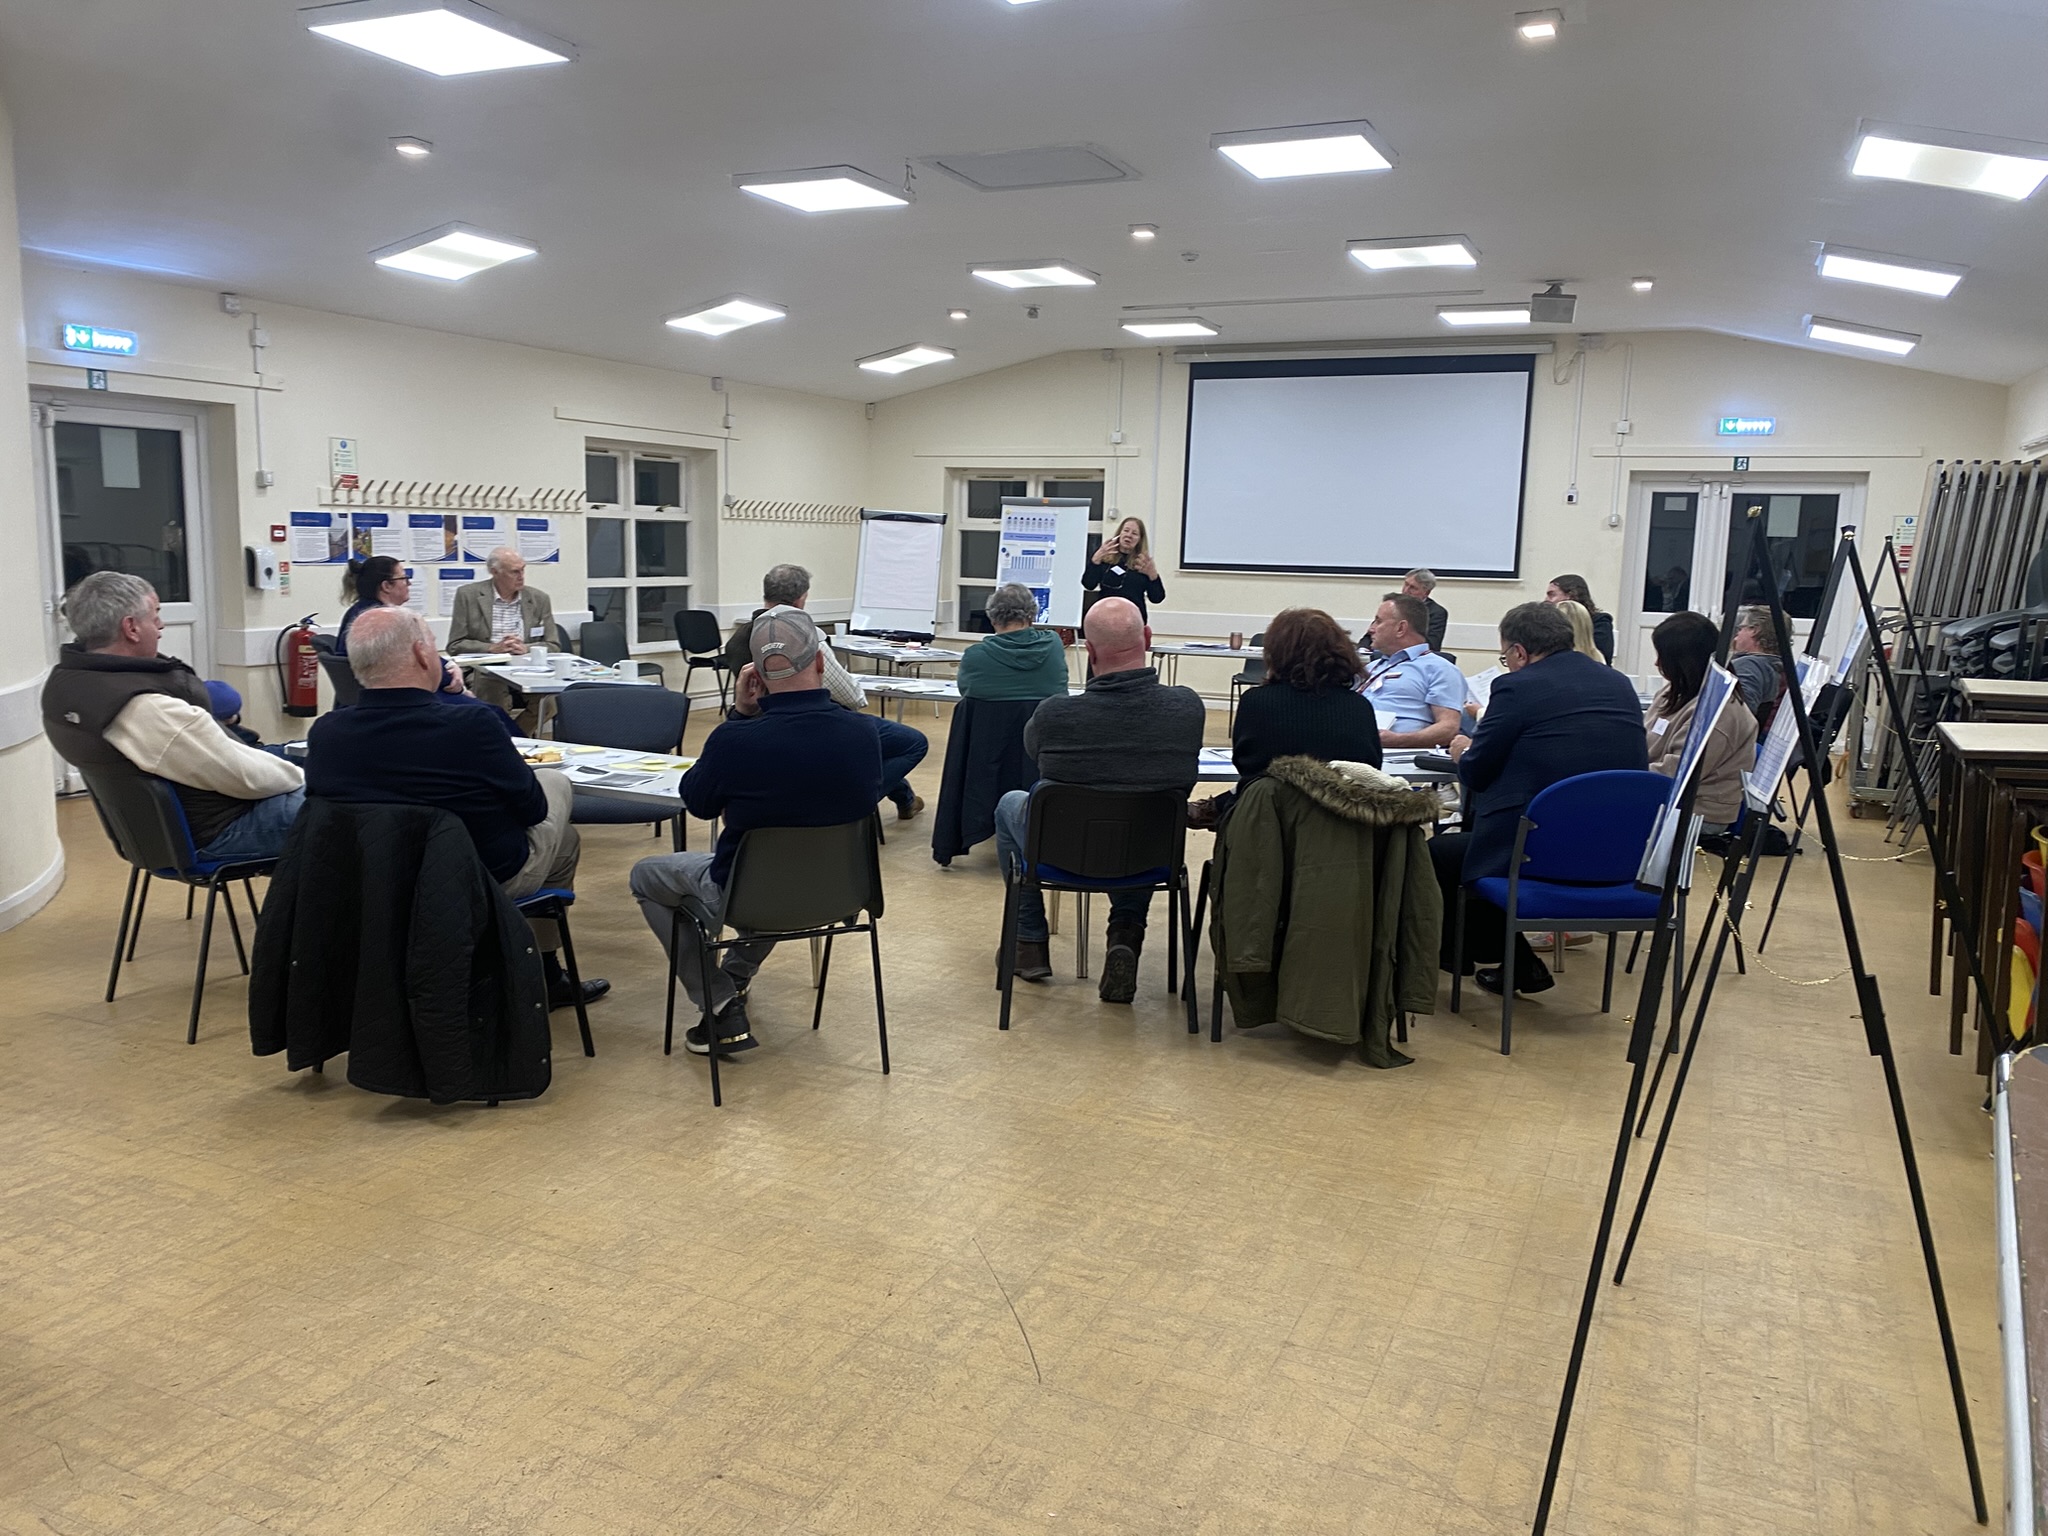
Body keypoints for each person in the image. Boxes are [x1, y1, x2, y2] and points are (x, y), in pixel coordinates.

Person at [304, 607, 607, 1013]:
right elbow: (533, 810)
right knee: (555, 789)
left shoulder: (326, 734)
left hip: (375, 881)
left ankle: (534, 967)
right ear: (422, 655)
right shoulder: (472, 725)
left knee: (563, 839)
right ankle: (544, 973)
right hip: (478, 877)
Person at [629, 608, 884, 1056]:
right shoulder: (863, 734)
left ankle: (720, 999)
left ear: (757, 675)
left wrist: (739, 716)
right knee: (782, 872)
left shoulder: (737, 741)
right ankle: (738, 976)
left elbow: (699, 803)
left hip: (749, 895)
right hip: (842, 891)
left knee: (648, 876)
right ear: (822, 664)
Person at [1430, 601, 1647, 996]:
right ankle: (1518, 964)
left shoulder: (1517, 685)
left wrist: (1463, 748)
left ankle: (1462, 960)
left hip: (1539, 854)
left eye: (1505, 656)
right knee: (1480, 844)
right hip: (1617, 854)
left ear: (1519, 652)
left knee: (1442, 854)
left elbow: (1477, 771)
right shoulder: (1617, 683)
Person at [995, 596, 1205, 1001]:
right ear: (1147, 638)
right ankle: (1125, 933)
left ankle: (1029, 942)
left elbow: (1034, 751)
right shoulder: (1187, 708)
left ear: (1089, 652)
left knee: (1011, 803)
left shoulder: (1055, 714)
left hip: (1063, 854)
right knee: (1143, 810)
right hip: (1151, 854)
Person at [42, 572, 306, 863]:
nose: (160, 625)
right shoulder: (141, 707)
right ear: (131, 628)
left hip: (159, 831)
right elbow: (247, 777)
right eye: (155, 615)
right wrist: (308, 777)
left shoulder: (68, 684)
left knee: (317, 758)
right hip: (220, 828)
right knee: (348, 804)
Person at [724, 564, 929, 820]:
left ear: (766, 593)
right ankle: (854, 801)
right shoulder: (807, 637)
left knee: (870, 743)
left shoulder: (738, 640)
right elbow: (852, 698)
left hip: (761, 725)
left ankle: (905, 798)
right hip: (819, 726)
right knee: (909, 742)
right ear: (802, 598)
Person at [1231, 607, 1382, 782]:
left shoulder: (1256, 702)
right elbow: (1372, 768)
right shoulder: (1358, 706)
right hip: (1341, 807)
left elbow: (1245, 764)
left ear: (1276, 651)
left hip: (1272, 805)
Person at [1644, 611, 1760, 831]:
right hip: (1666, 796)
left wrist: (1624, 776)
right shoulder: (1677, 691)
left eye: (1663, 657)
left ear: (1685, 662)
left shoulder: (1717, 713)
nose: (1657, 662)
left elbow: (1676, 774)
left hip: (1699, 812)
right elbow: (1645, 739)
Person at [446, 547, 559, 725]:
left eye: (523, 569)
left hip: (526, 666)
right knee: (493, 696)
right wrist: (491, 648)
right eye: (515, 572)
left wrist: (526, 649)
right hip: (485, 667)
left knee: (549, 704)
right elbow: (455, 645)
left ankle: (512, 738)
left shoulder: (539, 599)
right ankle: (503, 739)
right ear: (494, 572)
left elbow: (553, 644)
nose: (521, 576)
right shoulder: (468, 595)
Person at [335, 555, 467, 695]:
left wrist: (448, 665)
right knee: (482, 710)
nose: (409, 584)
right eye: (404, 578)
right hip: (394, 698)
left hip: (372, 697)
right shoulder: (385, 621)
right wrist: (454, 679)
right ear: (386, 586)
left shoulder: (359, 613)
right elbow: (421, 662)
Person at [1360, 594, 1466, 750]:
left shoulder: (1440, 669)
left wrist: (1398, 740)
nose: (1371, 629)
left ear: (1401, 628)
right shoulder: (1370, 668)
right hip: (1354, 749)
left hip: (1399, 756)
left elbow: (1448, 729)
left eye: (1378, 621)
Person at [956, 583, 1070, 702]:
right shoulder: (1053, 644)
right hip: (1043, 720)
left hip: (992, 720)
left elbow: (967, 694)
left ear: (992, 618)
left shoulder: (975, 655)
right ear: (1032, 616)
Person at [1082, 517, 1166, 623]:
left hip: (1132, 622)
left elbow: (1157, 598)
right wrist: (1095, 560)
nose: (1129, 535)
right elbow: (1088, 584)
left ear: (1140, 539)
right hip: (1106, 620)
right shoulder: (1106, 559)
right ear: (1119, 534)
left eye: (1134, 533)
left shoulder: (1143, 564)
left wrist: (1153, 575)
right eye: (1126, 530)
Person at [1729, 606, 1787, 726]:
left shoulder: (1749, 665)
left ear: (1754, 630)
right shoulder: (1782, 667)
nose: (1737, 635)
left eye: (1740, 628)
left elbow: (1740, 715)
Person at [1546, 574, 1615, 664]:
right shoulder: (1547, 623)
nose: (1546, 600)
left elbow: (1600, 656)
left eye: (1551, 595)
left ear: (1570, 595)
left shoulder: (1600, 623)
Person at [1402, 569, 1450, 653]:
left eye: (1413, 588)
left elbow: (1432, 645)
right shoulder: (1392, 605)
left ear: (1426, 592)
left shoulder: (1436, 613)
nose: (1406, 591)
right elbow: (1373, 631)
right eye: (1406, 584)